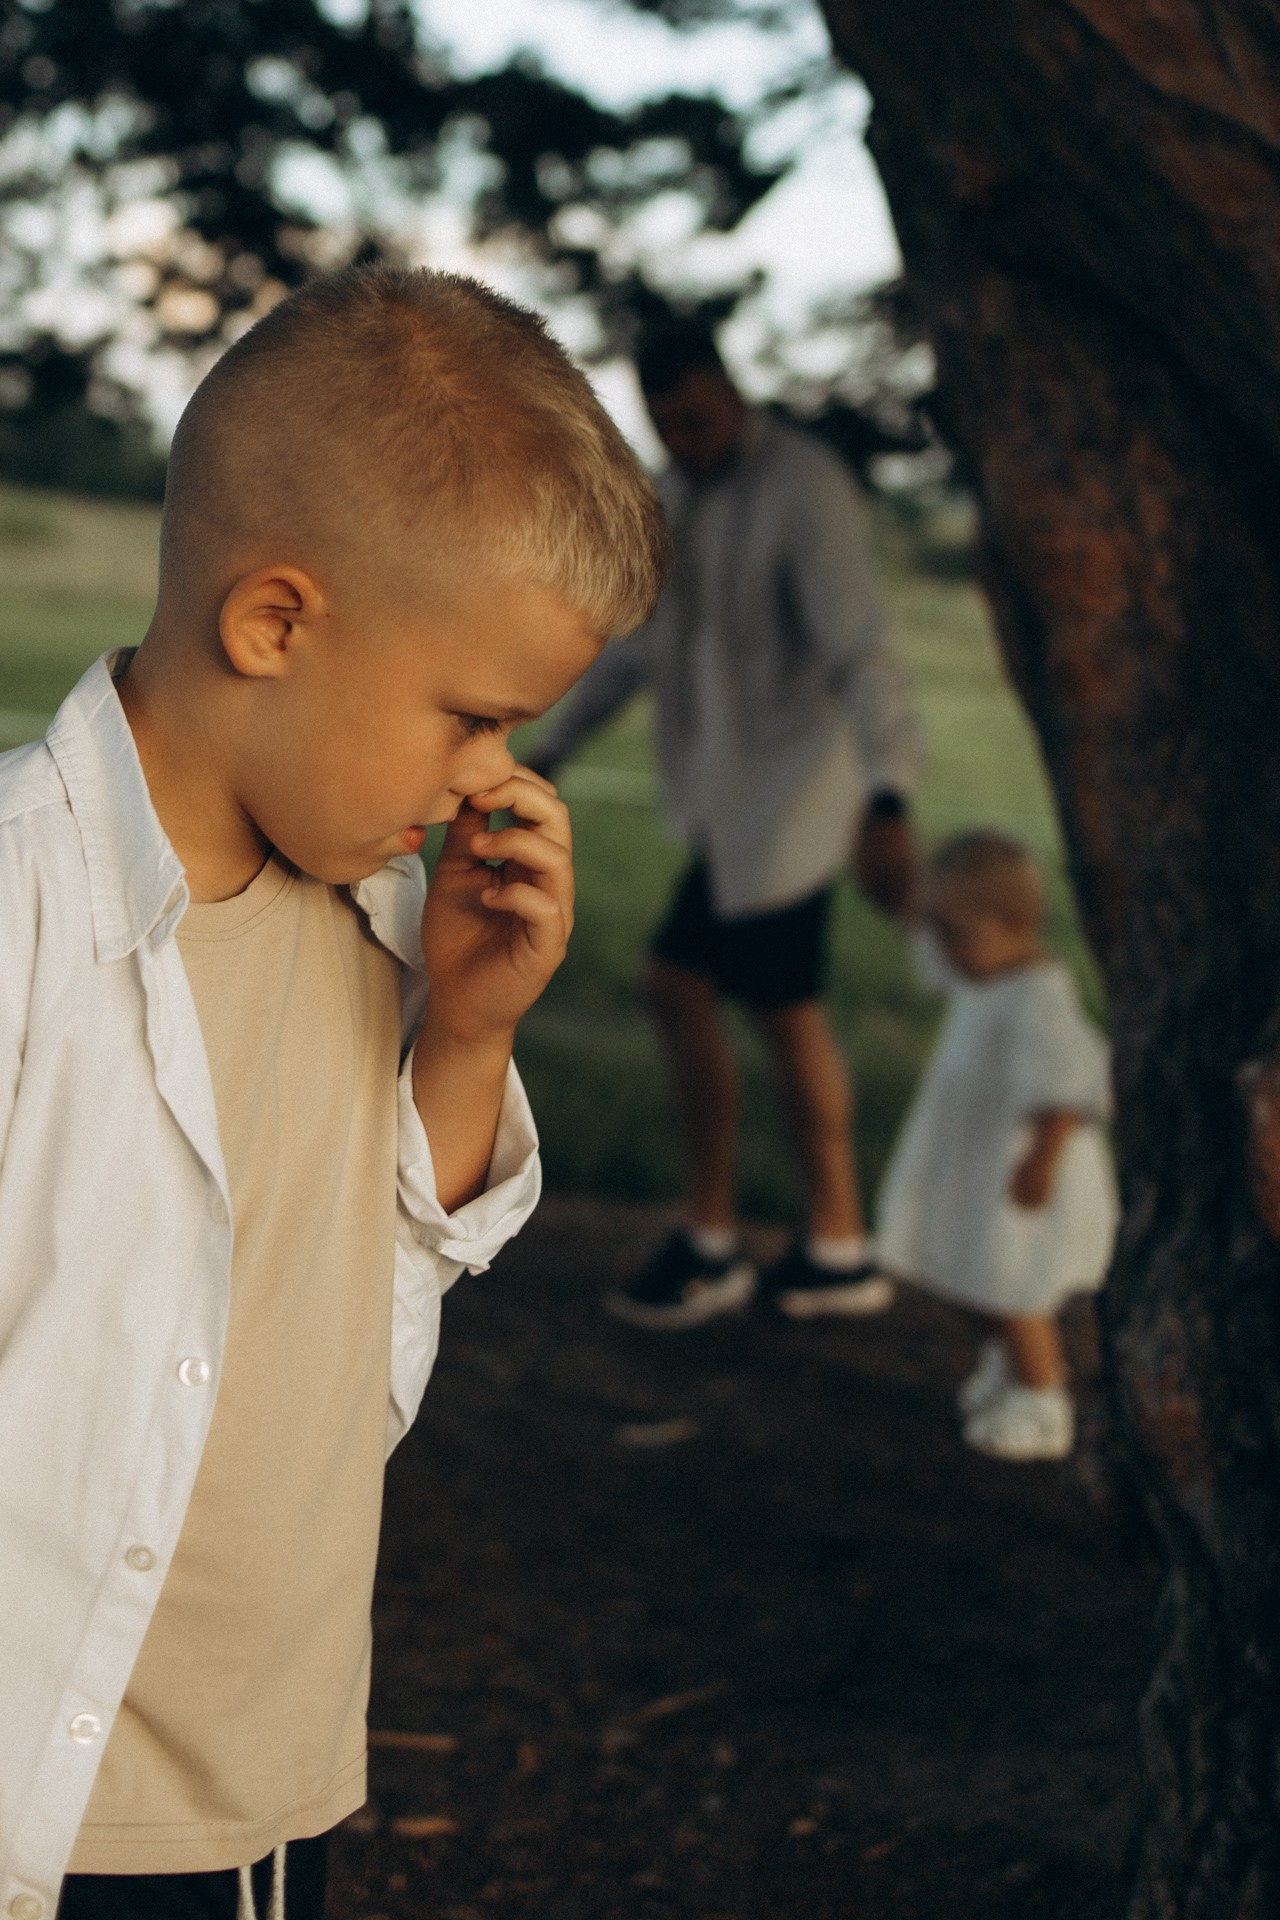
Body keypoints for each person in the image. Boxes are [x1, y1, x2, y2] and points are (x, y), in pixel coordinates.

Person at [0, 265, 666, 1920]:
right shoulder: (24, 908)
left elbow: (357, 1321)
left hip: (246, 1789)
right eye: (474, 715)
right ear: (275, 622)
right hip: (36, 1778)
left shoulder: (376, 925)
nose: (497, 779)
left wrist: (469, 1035)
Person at [530, 318, 924, 1329]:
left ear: (726, 387)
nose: (685, 439)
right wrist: (552, 745)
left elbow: (860, 650)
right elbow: (633, 649)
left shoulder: (803, 486)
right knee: (706, 994)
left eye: (696, 418)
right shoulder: (676, 496)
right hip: (724, 809)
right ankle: (809, 1241)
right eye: (667, 426)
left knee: (734, 998)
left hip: (796, 803)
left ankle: (784, 1243)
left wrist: (889, 796)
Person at [875, 830, 1119, 1462]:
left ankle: (1043, 1402)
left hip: (1020, 1171)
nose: (945, 953)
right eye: (940, 934)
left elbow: (1066, 1087)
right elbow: (923, 940)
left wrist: (1041, 1161)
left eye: (955, 936)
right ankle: (1004, 1368)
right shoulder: (979, 973)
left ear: (1014, 923)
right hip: (972, 1163)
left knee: (1012, 1283)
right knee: (967, 1272)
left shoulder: (1039, 997)